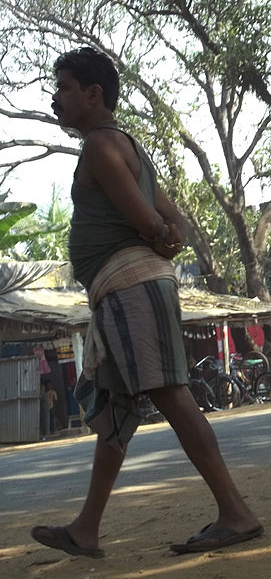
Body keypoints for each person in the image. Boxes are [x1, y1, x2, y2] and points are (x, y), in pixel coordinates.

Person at [31, 47, 263, 558]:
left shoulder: (99, 147)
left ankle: (236, 512)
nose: (56, 97)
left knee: (171, 393)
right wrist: (168, 235)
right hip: (127, 292)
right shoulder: (123, 145)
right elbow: (172, 220)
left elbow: (154, 222)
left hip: (132, 288)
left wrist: (161, 236)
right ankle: (86, 528)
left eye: (64, 87)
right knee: (115, 410)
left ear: (94, 95)